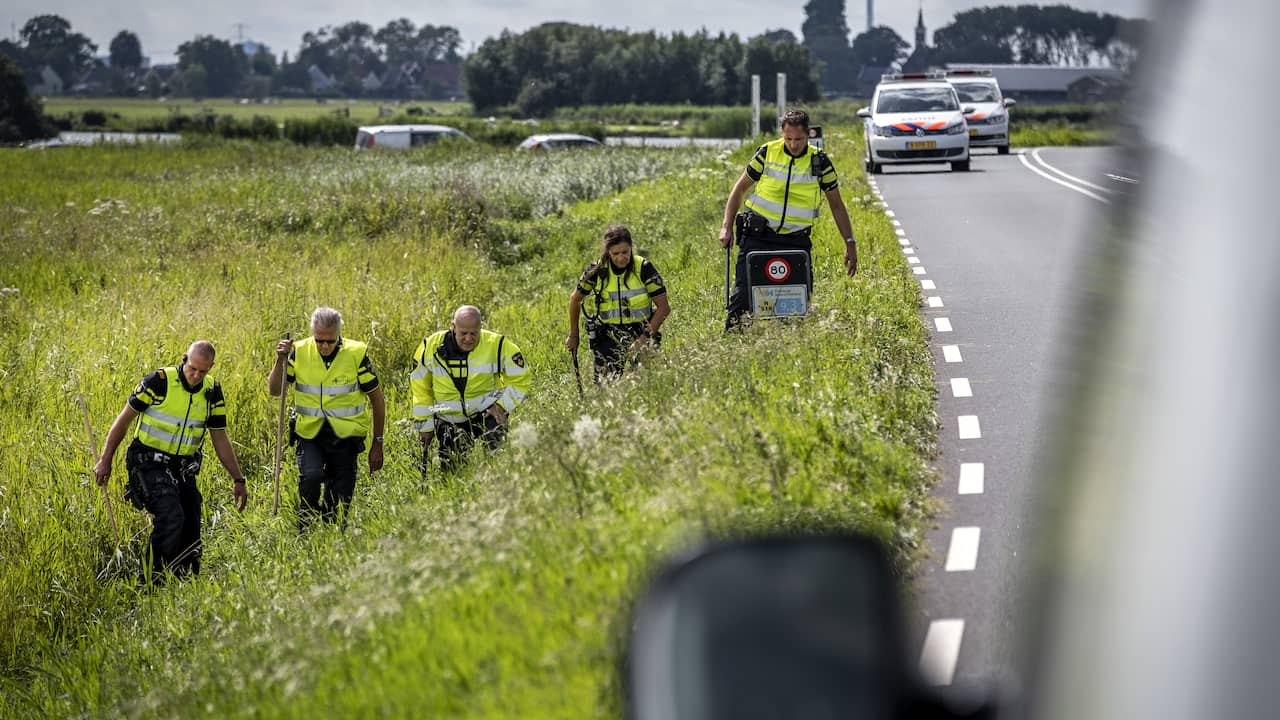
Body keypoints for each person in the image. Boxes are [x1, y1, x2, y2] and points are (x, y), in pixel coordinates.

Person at [93, 340, 248, 582]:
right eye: (192, 368)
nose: (196, 375)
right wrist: (105, 460)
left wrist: (238, 478)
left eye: (203, 371)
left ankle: (183, 583)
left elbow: (220, 438)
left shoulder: (212, 392)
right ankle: (150, 585)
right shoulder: (158, 382)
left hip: (182, 467)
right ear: (184, 358)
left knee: (192, 518)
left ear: (211, 367)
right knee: (170, 514)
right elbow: (123, 421)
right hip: (146, 462)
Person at [718, 109, 859, 329]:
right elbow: (739, 190)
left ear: (808, 135)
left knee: (797, 305)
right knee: (743, 299)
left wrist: (850, 242)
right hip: (758, 237)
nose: (793, 145)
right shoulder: (767, 153)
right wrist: (727, 227)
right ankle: (733, 348)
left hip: (795, 242)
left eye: (799, 139)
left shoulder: (820, 162)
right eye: (789, 139)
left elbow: (837, 204)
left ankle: (790, 350)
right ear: (782, 134)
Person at [268, 307, 385, 529]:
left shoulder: (356, 354)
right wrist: (280, 361)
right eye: (319, 340)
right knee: (311, 476)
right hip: (309, 433)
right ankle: (306, 527)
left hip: (346, 436)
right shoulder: (299, 351)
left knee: (338, 503)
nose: (324, 346)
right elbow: (275, 390)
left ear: (338, 335)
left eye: (330, 341)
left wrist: (377, 442)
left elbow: (377, 400)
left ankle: (331, 535)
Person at [410, 305, 531, 469]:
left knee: (498, 464)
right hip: (450, 420)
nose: (468, 338)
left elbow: (521, 378)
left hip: (487, 414)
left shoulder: (497, 344)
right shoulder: (430, 347)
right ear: (453, 327)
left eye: (474, 333)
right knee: (452, 473)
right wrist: (425, 426)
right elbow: (420, 390)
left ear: (481, 328)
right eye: (463, 333)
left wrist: (502, 406)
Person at [565, 224, 671, 382]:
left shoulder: (644, 268)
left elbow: (664, 308)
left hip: (642, 331)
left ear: (631, 248)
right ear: (608, 251)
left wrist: (643, 340)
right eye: (615, 253)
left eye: (625, 252)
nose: (621, 258)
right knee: (605, 391)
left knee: (646, 385)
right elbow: (575, 299)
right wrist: (574, 335)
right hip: (607, 336)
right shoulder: (597, 270)